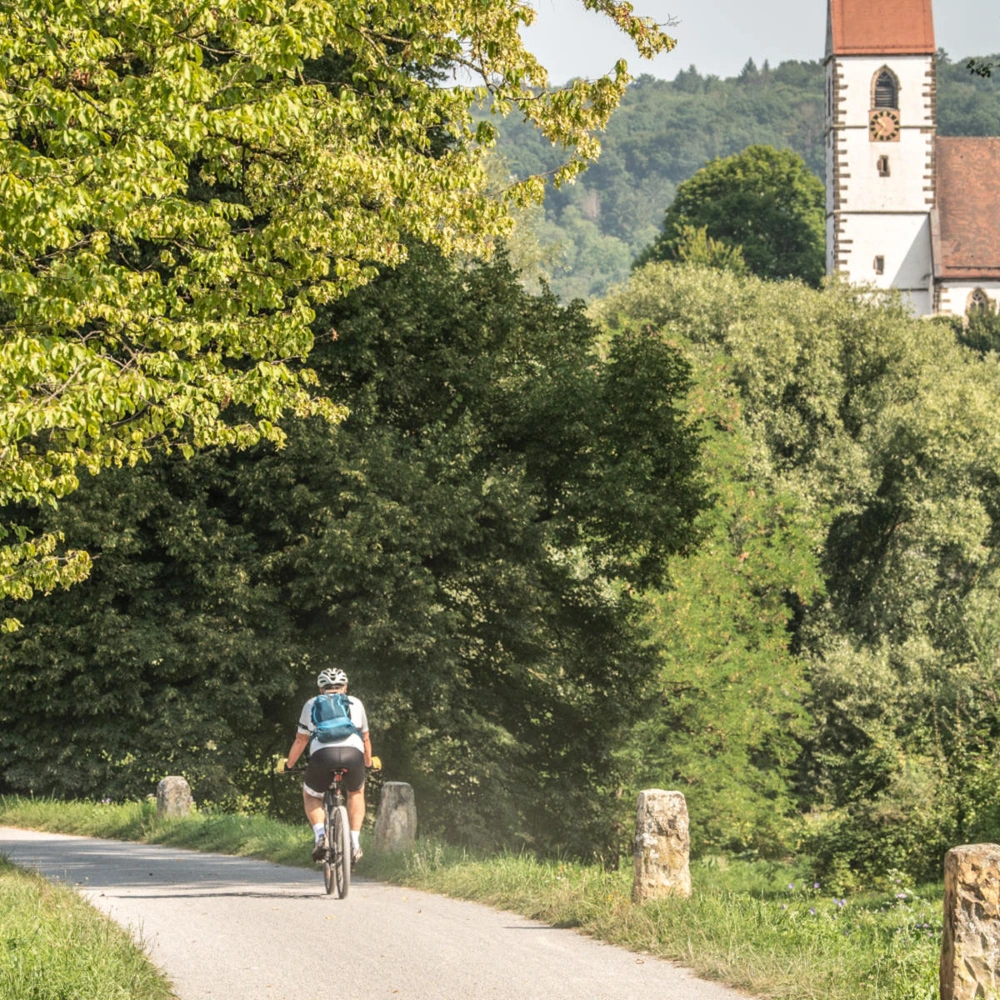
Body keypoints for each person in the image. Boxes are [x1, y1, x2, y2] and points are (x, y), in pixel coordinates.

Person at [285, 668, 372, 864]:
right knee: (356, 792)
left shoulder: (311, 704)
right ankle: (354, 843)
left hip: (323, 755)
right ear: (345, 687)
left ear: (320, 688)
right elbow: (365, 738)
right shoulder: (356, 702)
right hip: (353, 753)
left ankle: (320, 837)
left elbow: (301, 740)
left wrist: (289, 765)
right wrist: (369, 762)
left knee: (311, 794)